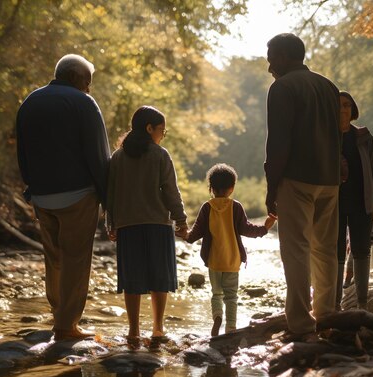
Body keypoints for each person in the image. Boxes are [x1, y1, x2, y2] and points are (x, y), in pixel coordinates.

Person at [16, 54, 110, 341]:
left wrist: (32, 187)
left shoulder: (30, 102)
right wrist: (108, 199)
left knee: (54, 259)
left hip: (42, 196)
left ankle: (58, 315)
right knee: (75, 260)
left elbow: (22, 152)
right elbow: (99, 156)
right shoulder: (84, 104)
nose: (89, 88)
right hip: (78, 196)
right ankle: (67, 326)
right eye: (87, 82)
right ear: (74, 77)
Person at [264, 33, 341, 341]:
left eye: (271, 57)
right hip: (330, 179)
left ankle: (300, 322)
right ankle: (327, 315)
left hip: (296, 179)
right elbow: (337, 135)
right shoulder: (328, 87)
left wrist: (272, 187)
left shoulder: (282, 88)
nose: (269, 64)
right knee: (325, 249)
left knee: (296, 250)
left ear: (283, 55)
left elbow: (279, 142)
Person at [106, 106, 188, 347]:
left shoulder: (117, 158)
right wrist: (181, 220)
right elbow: (171, 191)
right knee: (159, 278)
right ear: (149, 128)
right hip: (157, 225)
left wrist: (111, 223)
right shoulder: (160, 155)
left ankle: (133, 331)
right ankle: (157, 328)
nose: (163, 135)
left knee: (132, 279)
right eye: (162, 130)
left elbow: (111, 193)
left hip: (128, 225)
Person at [186, 163, 275, 336]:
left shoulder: (207, 207)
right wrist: (265, 228)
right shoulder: (236, 207)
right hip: (232, 260)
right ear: (232, 188)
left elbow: (195, 233)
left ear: (211, 188)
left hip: (214, 260)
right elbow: (247, 229)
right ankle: (231, 328)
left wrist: (184, 234)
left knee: (216, 294)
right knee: (231, 297)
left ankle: (217, 316)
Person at [335, 91, 373, 310]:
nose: (343, 109)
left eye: (347, 105)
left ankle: (362, 305)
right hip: (333, 204)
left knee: (362, 250)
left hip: (361, 201)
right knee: (335, 252)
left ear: (353, 109)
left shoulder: (364, 136)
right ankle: (335, 304)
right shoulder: (325, 137)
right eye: (338, 106)